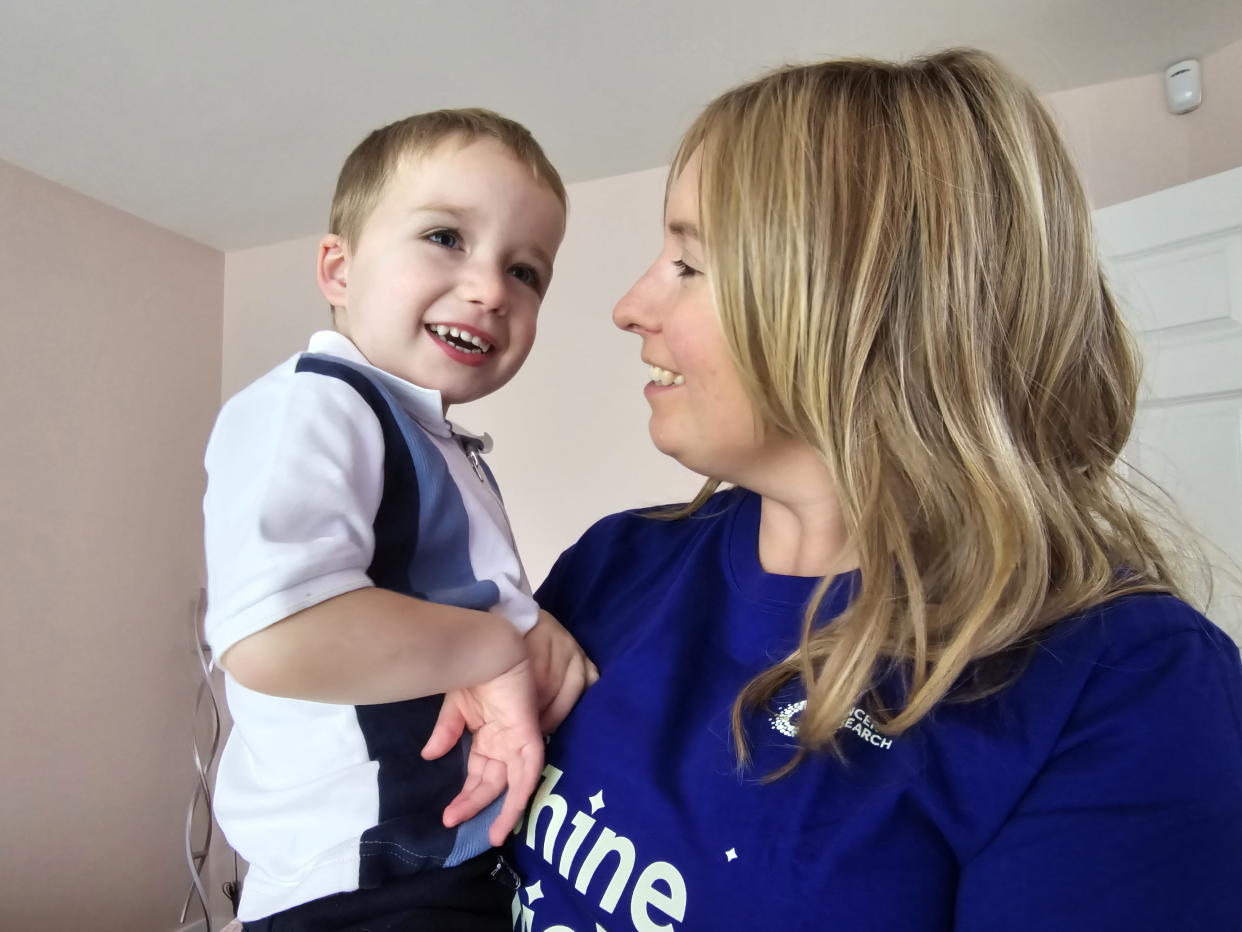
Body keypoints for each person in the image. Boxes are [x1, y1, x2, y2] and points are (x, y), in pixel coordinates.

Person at [509, 49, 1242, 931]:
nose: (630, 306)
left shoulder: (1122, 685)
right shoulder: (616, 562)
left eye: (691, 265)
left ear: (869, 303)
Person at [202, 108, 595, 932]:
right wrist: (496, 644)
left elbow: (435, 597)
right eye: (446, 237)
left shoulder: (432, 434)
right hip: (364, 879)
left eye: (526, 272)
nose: (491, 288)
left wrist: (530, 622)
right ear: (338, 270)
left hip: (448, 861)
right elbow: (276, 633)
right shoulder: (315, 403)